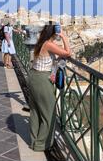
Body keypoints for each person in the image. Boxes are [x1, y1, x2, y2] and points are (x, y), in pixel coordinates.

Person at [28, 24, 71, 152]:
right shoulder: (48, 44)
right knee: (49, 113)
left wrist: (52, 72)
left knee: (35, 112)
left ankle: (34, 141)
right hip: (41, 80)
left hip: (34, 76)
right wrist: (64, 37)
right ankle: (41, 144)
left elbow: (46, 60)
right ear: (53, 33)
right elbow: (68, 53)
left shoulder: (41, 42)